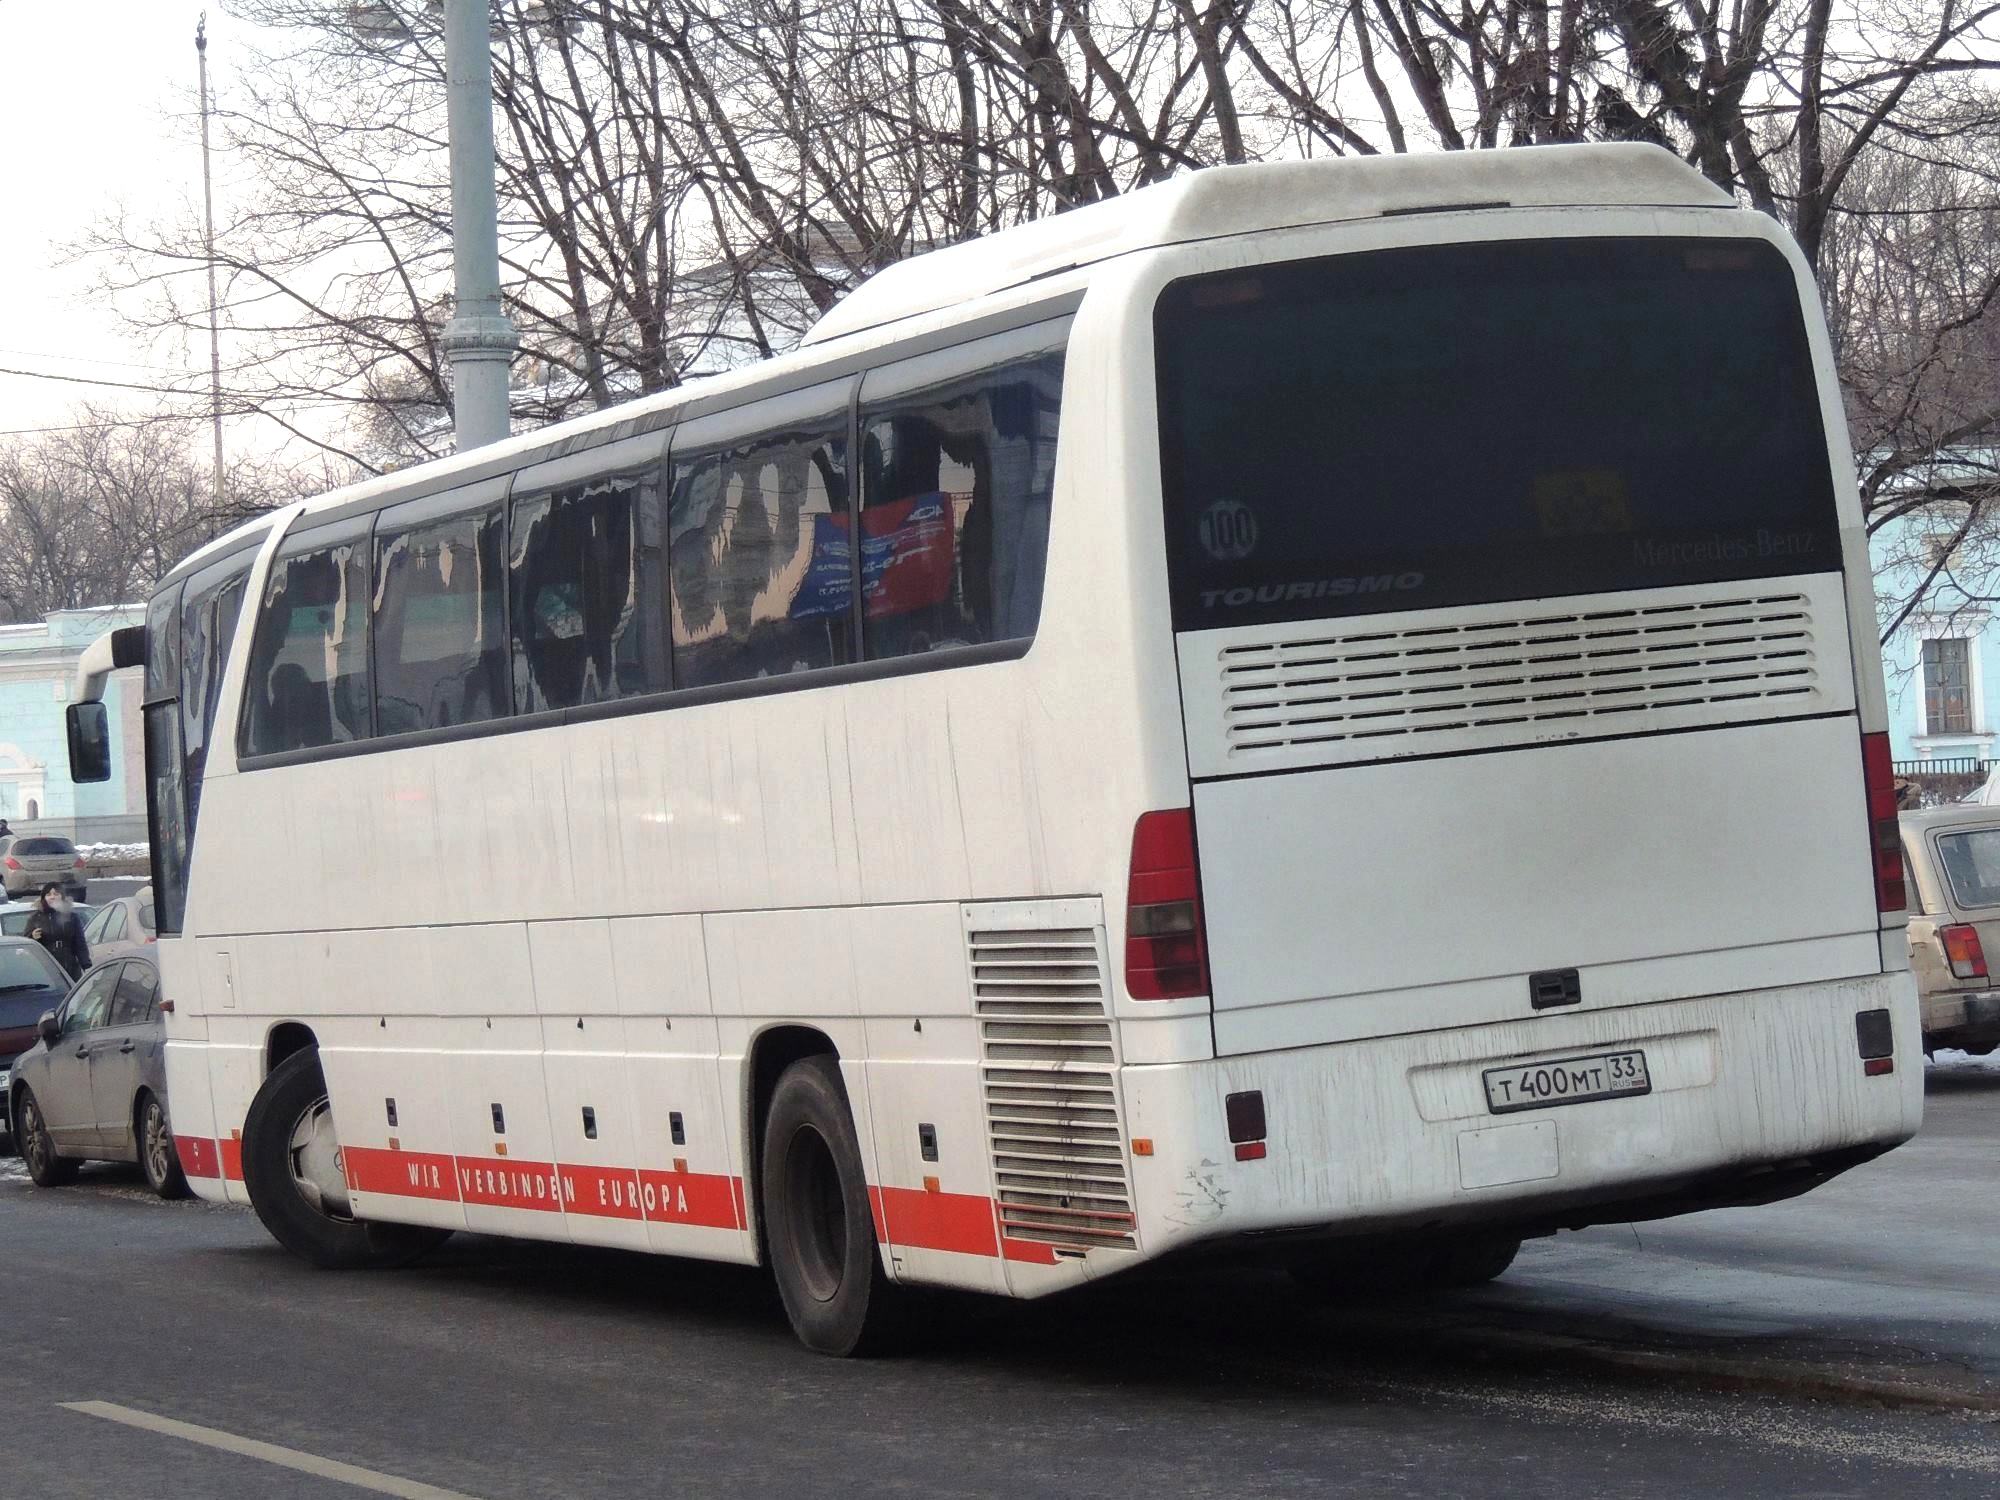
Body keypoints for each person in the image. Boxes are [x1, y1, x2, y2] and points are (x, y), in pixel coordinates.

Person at [25, 882, 90, 980]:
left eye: (56, 894)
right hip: (46, 966)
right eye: (48, 894)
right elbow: (25, 942)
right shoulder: (35, 917)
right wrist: (32, 936)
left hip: (69, 965)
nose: (52, 897)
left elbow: (80, 943)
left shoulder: (71, 917)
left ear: (62, 897)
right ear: (43, 898)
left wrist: (86, 965)